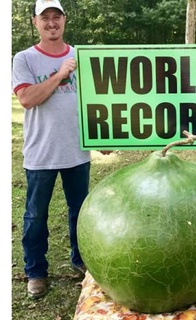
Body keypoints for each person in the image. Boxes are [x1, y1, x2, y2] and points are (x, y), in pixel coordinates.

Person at [12, 0, 91, 299]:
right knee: (35, 215)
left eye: (56, 17)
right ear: (35, 22)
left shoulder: (81, 56)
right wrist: (59, 75)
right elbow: (27, 99)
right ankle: (35, 271)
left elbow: (96, 101)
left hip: (77, 151)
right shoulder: (24, 59)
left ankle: (82, 262)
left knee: (80, 213)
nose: (51, 23)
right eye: (45, 18)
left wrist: (101, 137)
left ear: (64, 20)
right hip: (41, 153)